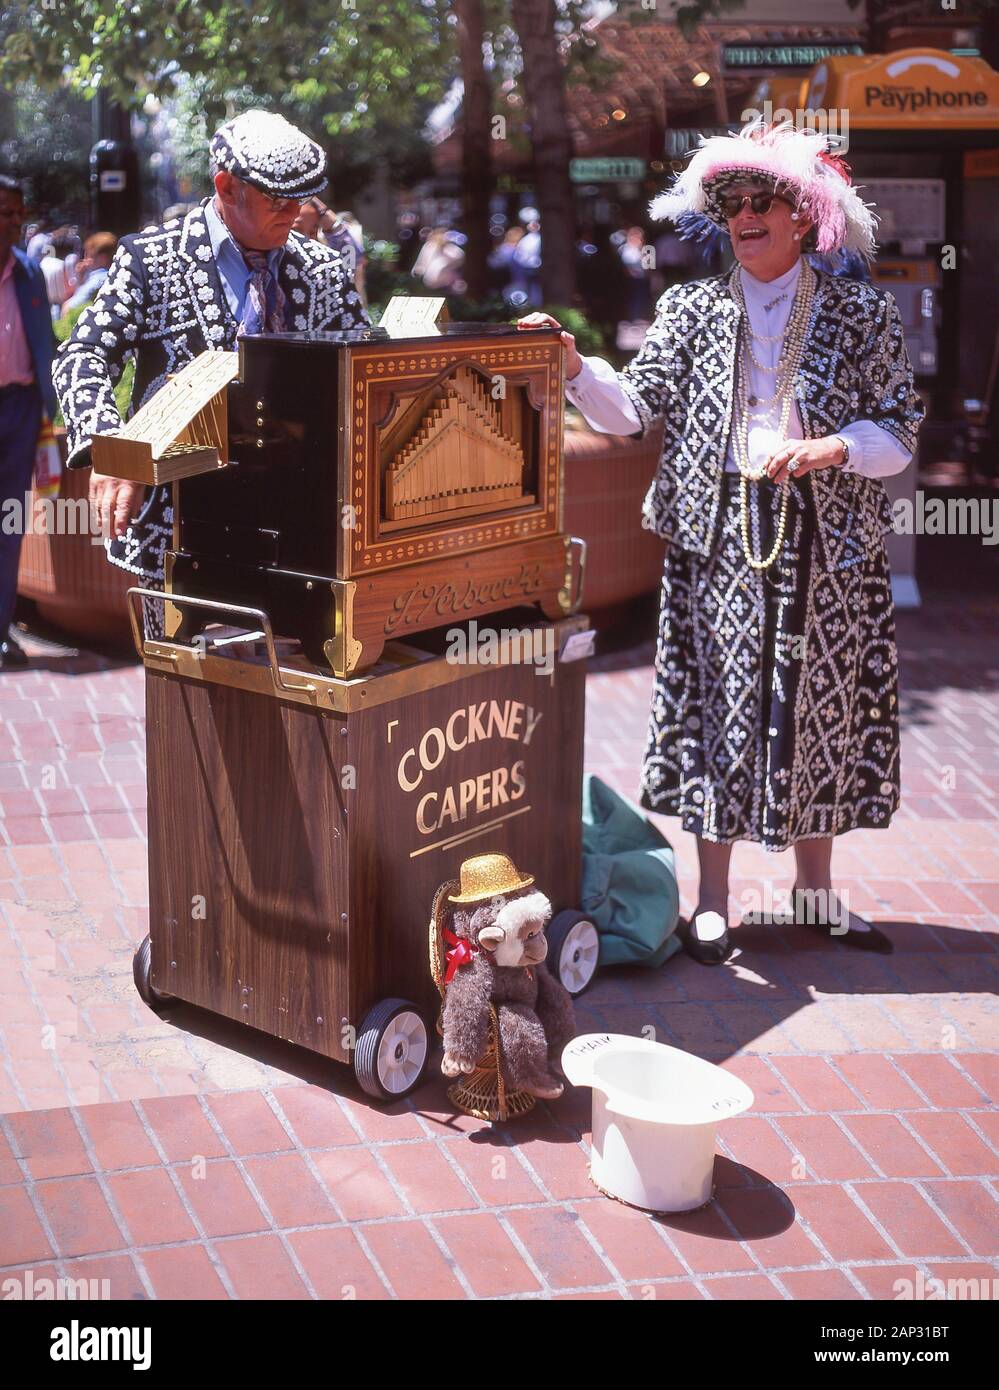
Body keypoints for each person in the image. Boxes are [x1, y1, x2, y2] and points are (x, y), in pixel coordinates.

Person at [518, 119, 925, 963]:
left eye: (761, 201)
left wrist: (831, 447)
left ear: (803, 215)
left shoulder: (860, 310)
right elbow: (634, 412)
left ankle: (813, 898)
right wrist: (572, 368)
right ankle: (712, 901)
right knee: (717, 717)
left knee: (823, 715)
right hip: (715, 536)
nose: (743, 215)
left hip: (829, 544)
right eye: (730, 203)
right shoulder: (689, 307)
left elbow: (899, 428)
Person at [54, 109, 369, 638]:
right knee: (182, 701)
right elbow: (82, 354)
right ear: (226, 186)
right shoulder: (150, 259)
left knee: (293, 692)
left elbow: (363, 372)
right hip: (178, 533)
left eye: (301, 199)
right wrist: (109, 445)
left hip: (299, 530)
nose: (294, 213)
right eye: (277, 200)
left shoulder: (322, 269)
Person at [0, 174, 58, 670]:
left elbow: (45, 342)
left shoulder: (29, 272)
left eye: (17, 214)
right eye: (3, 212)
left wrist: (52, 406)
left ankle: (2, 632)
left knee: (9, 523)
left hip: (19, 412)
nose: (13, 222)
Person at [60, 232, 117, 315]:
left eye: (89, 255)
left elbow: (69, 308)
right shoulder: (110, 276)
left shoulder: (98, 279)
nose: (85, 259)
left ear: (103, 258)